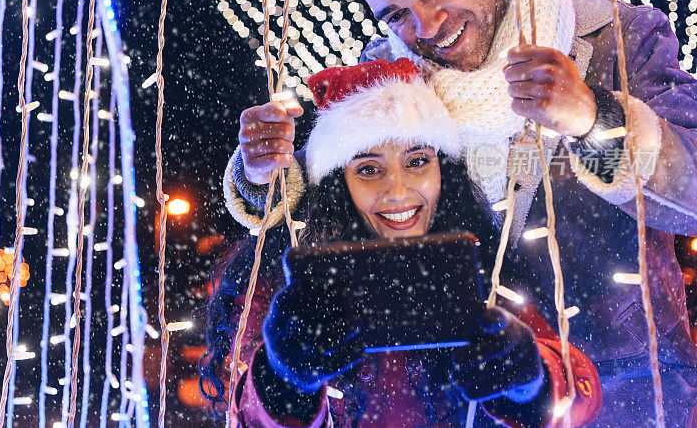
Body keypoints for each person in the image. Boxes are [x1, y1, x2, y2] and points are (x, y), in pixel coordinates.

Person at [222, 0, 697, 423]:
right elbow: (334, 193)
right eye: (396, 14)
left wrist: (593, 119)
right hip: (455, 398)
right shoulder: (386, 74)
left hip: (625, 391)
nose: (426, 27)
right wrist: (261, 168)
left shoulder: (618, 40)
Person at [204, 59, 602, 427]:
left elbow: (577, 390)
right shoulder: (286, 279)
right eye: (369, 169)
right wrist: (283, 379)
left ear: (443, 169)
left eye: (416, 162)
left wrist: (530, 381)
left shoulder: (478, 263)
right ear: (339, 185)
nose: (398, 192)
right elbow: (240, 408)